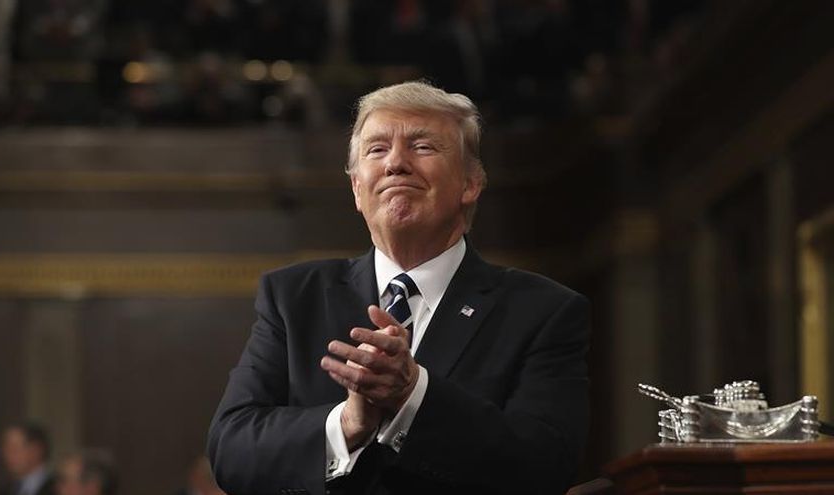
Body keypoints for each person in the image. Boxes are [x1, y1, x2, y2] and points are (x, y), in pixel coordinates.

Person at [207, 81, 590, 495]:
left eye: (422, 147)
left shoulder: (543, 312)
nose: (395, 163)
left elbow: (545, 466)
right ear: (357, 189)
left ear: (470, 183)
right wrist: (347, 424)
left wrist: (414, 395)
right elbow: (232, 449)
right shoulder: (292, 297)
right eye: (377, 149)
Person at [0, 422, 56, 495]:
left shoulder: (58, 489)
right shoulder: (3, 490)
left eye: (15, 449)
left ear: (36, 450)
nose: (7, 455)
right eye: (5, 449)